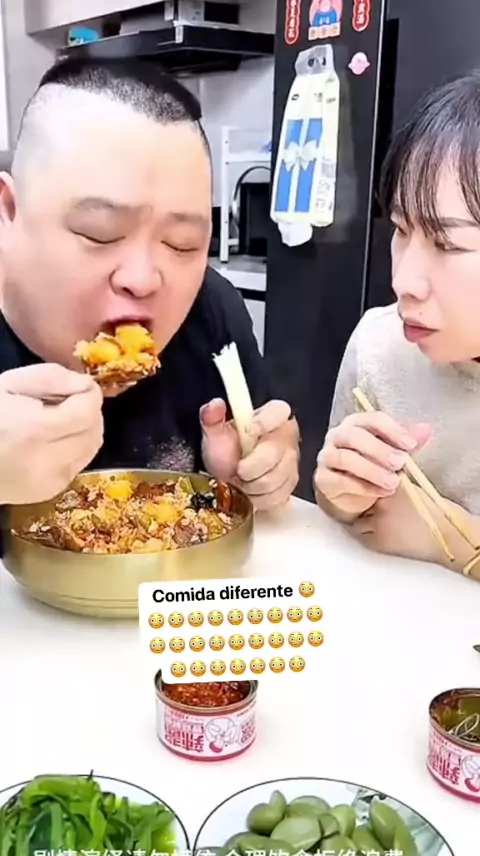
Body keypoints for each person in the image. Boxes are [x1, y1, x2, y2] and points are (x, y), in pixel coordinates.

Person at [0, 57, 299, 527]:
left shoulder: (211, 308)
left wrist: (257, 470)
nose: (143, 279)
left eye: (183, 244)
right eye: (99, 233)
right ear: (8, 211)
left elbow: (265, 438)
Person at [314, 71, 480, 578]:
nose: (403, 280)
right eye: (402, 230)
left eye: (447, 243)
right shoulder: (381, 345)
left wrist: (453, 539)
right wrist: (341, 492)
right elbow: (344, 517)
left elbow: (431, 537)